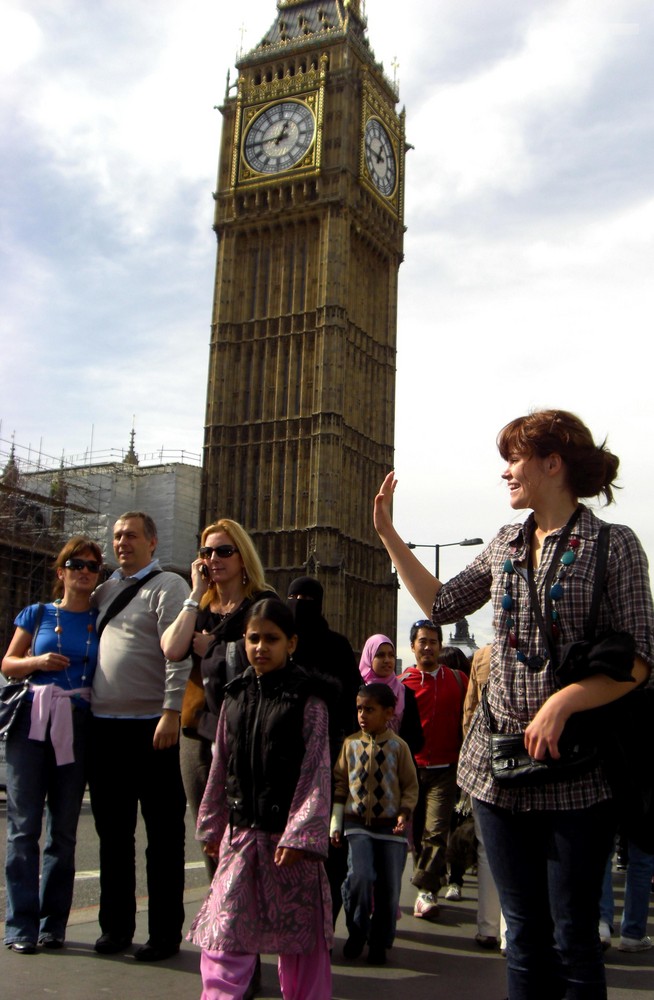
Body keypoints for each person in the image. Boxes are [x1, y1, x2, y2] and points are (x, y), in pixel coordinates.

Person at [373, 409, 654, 1000]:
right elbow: (444, 602)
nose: (505, 472)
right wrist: (390, 537)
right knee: (523, 934)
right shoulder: (505, 541)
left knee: (573, 935)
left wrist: (564, 703)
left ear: (553, 464)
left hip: (578, 771)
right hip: (496, 767)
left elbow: (637, 662)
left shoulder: (613, 544)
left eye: (514, 459)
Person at [189, 598, 333, 1000]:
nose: (261, 647)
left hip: (289, 846)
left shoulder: (310, 701)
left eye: (272, 639)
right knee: (224, 939)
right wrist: (212, 824)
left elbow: (317, 772)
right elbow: (222, 766)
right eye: (254, 638)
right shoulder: (233, 698)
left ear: (291, 643)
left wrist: (300, 835)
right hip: (243, 837)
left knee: (301, 948)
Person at [88, 511, 191, 961]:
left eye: (130, 536)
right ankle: (116, 928)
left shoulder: (169, 586)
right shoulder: (103, 592)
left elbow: (179, 655)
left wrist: (171, 712)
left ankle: (165, 935)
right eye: (116, 537)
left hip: (155, 730)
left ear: (152, 542)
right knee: (113, 836)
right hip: (106, 729)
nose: (121, 543)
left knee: (163, 838)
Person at [2, 536, 102, 953]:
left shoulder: (103, 618)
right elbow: (8, 664)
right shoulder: (38, 613)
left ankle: (52, 924)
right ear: (60, 571)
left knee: (62, 831)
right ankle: (20, 924)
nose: (83, 571)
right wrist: (37, 663)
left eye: (92, 566)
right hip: (32, 720)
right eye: (75, 564)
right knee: (23, 827)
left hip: (77, 722)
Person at [161, 519, 275, 877]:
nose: (214, 559)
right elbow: (172, 648)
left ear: (243, 557)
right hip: (199, 729)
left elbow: (275, 656)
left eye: (224, 551)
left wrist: (218, 647)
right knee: (210, 830)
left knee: (251, 827)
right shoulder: (200, 608)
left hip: (250, 729)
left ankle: (252, 916)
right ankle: (222, 915)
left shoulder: (263, 604)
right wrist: (194, 594)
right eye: (206, 552)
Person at [286, 575, 360, 924]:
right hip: (285, 758)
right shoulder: (282, 644)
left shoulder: (338, 647)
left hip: (330, 758)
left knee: (329, 840)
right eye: (294, 597)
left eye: (307, 598)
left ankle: (324, 915)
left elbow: (349, 705)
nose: (300, 603)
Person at [331, 682, 419, 966]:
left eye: (369, 709)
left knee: (389, 888)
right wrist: (336, 822)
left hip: (391, 828)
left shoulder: (399, 747)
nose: (362, 715)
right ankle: (357, 930)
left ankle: (380, 941)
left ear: (389, 712)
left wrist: (404, 813)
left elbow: (410, 785)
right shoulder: (350, 745)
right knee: (360, 877)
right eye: (359, 709)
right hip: (357, 825)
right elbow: (340, 783)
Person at [397, 621, 467, 921]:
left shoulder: (458, 679)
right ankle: (425, 882)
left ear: (440, 646)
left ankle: (426, 891)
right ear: (413, 646)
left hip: (446, 768)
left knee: (436, 830)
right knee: (415, 832)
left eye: (433, 641)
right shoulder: (401, 684)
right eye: (422, 641)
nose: (427, 646)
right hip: (411, 771)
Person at [461, 644, 506, 950]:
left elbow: (469, 715)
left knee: (489, 852)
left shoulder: (483, 656)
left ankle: (489, 927)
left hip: (489, 762)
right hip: (537, 764)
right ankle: (511, 935)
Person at [358, 633, 423, 756]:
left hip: (398, 767)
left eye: (391, 655)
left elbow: (417, 740)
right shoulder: (358, 692)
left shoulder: (405, 693)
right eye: (380, 655)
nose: (387, 660)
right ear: (369, 657)